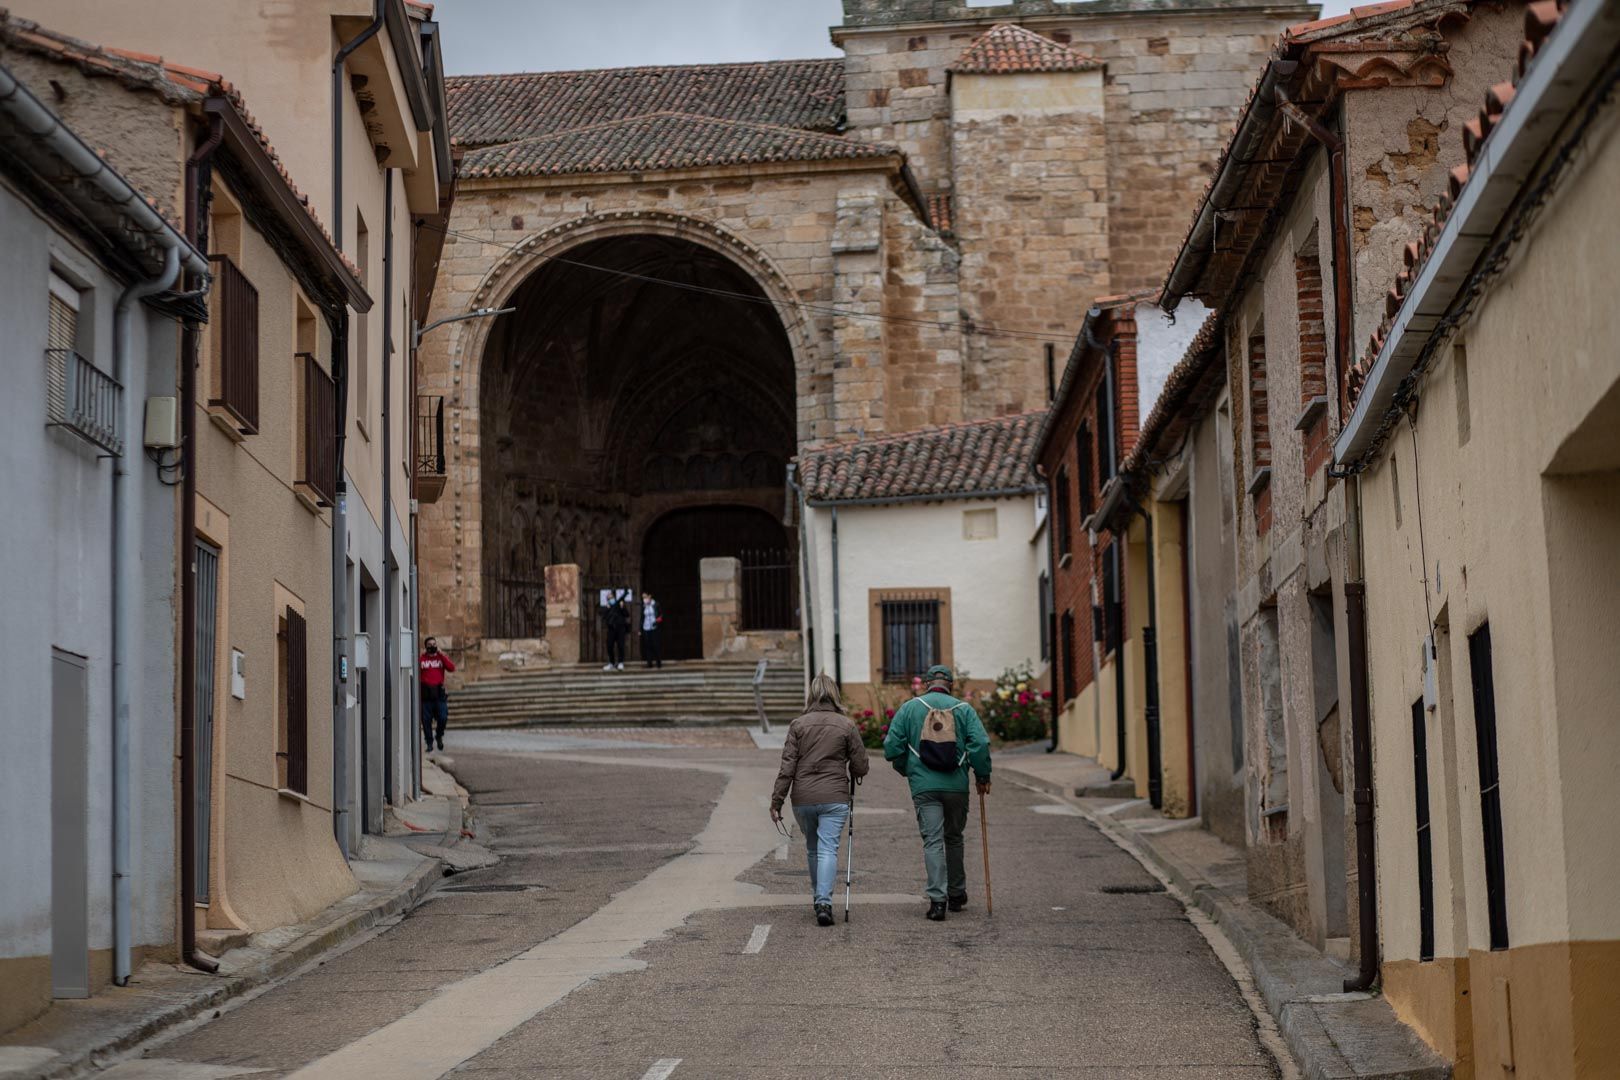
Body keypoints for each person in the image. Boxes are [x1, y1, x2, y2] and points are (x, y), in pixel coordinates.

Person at [883, 664, 992, 921]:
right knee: (953, 837)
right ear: (951, 685)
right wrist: (982, 776)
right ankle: (957, 893)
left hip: (925, 786)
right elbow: (980, 744)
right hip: (956, 787)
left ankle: (937, 901)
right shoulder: (964, 710)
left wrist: (907, 768)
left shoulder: (910, 708)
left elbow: (891, 748)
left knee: (932, 841)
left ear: (927, 684)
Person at [770, 673, 870, 926]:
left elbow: (787, 767)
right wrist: (853, 770)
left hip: (803, 797)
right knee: (828, 849)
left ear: (812, 694)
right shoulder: (846, 725)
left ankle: (819, 898)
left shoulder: (798, 725)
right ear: (835, 694)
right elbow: (861, 765)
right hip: (835, 795)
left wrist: (776, 801)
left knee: (814, 848)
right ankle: (823, 902)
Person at [419, 637, 456, 752]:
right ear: (426, 646)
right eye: (429, 644)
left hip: (439, 694)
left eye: (434, 644)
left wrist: (441, 654)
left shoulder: (440, 658)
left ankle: (439, 735)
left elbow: (451, 668)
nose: (432, 646)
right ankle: (429, 743)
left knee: (443, 717)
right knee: (426, 721)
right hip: (426, 695)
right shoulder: (422, 659)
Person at [602, 596, 629, 671]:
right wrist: (607, 609)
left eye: (612, 598)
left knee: (621, 645)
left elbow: (627, 614)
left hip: (620, 629)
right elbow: (603, 617)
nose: (611, 600)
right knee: (609, 645)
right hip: (611, 629)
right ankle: (611, 662)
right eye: (609, 598)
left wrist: (622, 607)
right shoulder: (608, 607)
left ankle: (620, 662)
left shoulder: (619, 605)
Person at [640, 590, 663, 668]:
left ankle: (658, 662)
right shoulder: (643, 606)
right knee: (648, 646)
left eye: (645, 597)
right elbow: (642, 618)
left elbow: (661, 615)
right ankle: (649, 663)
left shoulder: (655, 604)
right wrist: (640, 629)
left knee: (655, 645)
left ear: (649, 596)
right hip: (646, 627)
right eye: (643, 597)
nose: (644, 599)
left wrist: (657, 621)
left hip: (654, 627)